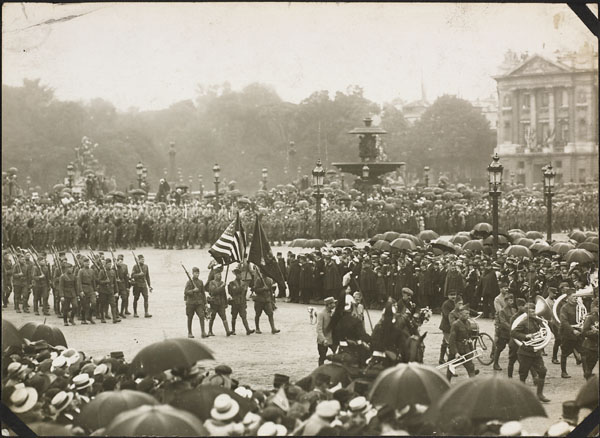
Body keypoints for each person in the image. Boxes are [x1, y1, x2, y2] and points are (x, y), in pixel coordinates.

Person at [511, 302, 550, 402]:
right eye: (531, 311)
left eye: (534, 311)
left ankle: (540, 394)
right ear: (527, 312)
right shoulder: (524, 322)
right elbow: (513, 333)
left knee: (543, 371)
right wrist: (525, 336)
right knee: (523, 374)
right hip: (525, 353)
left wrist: (545, 323)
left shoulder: (538, 321)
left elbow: (545, 332)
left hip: (536, 352)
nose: (534, 313)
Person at [447, 304, 479, 381]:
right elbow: (452, 340)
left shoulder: (468, 323)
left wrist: (471, 350)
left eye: (468, 314)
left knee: (470, 367)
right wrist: (455, 353)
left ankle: (473, 384)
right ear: (460, 314)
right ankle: (446, 382)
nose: (468, 315)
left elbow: (469, 337)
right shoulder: (455, 324)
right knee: (451, 367)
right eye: (466, 314)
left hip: (465, 349)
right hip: (457, 349)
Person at [558, 288, 582, 378]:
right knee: (564, 353)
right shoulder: (564, 308)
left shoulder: (579, 306)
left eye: (576, 296)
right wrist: (573, 330)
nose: (575, 298)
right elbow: (564, 322)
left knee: (583, 352)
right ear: (568, 297)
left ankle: (587, 373)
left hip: (578, 332)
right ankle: (563, 372)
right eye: (573, 296)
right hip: (567, 333)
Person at [228, 266, 255, 336]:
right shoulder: (232, 283)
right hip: (235, 302)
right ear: (236, 275)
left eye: (241, 275)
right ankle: (233, 330)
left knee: (244, 316)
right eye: (239, 275)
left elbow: (244, 293)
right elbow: (233, 291)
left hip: (242, 302)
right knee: (234, 316)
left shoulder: (243, 283)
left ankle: (247, 329)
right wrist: (241, 288)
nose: (240, 276)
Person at [252, 270, 280, 334]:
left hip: (267, 300)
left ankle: (273, 328)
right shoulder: (258, 280)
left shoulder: (269, 280)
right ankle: (257, 328)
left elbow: (271, 291)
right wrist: (263, 289)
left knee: (270, 314)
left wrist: (272, 301)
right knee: (258, 314)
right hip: (259, 300)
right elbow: (256, 290)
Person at [493, 293, 516, 371]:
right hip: (503, 333)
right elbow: (503, 322)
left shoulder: (513, 310)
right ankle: (495, 363)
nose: (511, 302)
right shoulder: (502, 311)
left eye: (512, 300)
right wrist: (512, 327)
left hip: (511, 333)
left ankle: (511, 364)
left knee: (513, 347)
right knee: (500, 348)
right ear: (505, 301)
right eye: (510, 300)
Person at [207, 268, 232, 337]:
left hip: (221, 303)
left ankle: (227, 331)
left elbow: (224, 294)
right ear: (215, 275)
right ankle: (210, 331)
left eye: (220, 274)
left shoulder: (222, 283)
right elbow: (214, 292)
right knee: (212, 317)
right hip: (214, 303)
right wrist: (221, 287)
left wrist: (226, 303)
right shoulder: (211, 283)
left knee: (224, 317)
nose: (220, 276)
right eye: (218, 274)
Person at [184, 267, 208, 338]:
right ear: (193, 273)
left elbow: (203, 293)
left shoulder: (200, 282)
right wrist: (193, 291)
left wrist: (205, 302)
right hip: (190, 303)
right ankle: (190, 332)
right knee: (190, 317)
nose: (197, 274)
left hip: (199, 303)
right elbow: (186, 292)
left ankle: (203, 332)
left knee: (202, 316)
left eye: (198, 273)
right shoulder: (189, 282)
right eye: (195, 273)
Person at [580, 298, 598, 380]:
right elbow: (584, 332)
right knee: (589, 370)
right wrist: (594, 332)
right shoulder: (591, 318)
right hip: (592, 346)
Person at [439, 290, 458, 365]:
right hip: (447, 327)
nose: (453, 296)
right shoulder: (446, 304)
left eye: (454, 294)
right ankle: (450, 362)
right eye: (451, 295)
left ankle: (441, 359)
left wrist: (476, 312)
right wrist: (456, 317)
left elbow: (464, 309)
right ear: (448, 296)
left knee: (445, 342)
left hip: (454, 325)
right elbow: (447, 315)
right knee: (451, 344)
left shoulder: (456, 303)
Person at [317, 297, 337, 366]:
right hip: (323, 340)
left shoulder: (333, 313)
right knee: (322, 357)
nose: (334, 304)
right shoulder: (321, 313)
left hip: (332, 339)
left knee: (337, 355)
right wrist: (323, 340)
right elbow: (319, 329)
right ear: (329, 305)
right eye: (333, 303)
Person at [77, 257, 97, 324]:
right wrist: (81, 291)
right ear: (83, 263)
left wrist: (95, 290)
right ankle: (83, 319)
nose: (87, 264)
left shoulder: (92, 271)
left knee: (94, 303)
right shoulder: (81, 271)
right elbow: (79, 282)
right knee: (85, 305)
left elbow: (93, 281)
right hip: (84, 288)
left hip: (90, 288)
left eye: (88, 262)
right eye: (86, 262)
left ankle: (89, 316)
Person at [115, 254, 130, 318]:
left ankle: (122, 311)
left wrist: (127, 287)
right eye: (118, 260)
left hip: (123, 284)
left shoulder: (125, 266)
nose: (120, 261)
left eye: (121, 260)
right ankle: (116, 312)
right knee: (116, 299)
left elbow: (126, 277)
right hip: (116, 285)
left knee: (124, 298)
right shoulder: (113, 267)